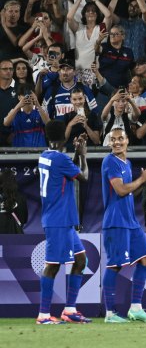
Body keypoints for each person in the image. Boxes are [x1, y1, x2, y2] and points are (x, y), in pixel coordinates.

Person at [101, 126, 146, 323]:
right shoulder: (110, 161)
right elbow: (119, 190)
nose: (117, 142)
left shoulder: (127, 162)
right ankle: (110, 314)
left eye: (120, 139)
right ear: (109, 143)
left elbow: (128, 192)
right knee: (115, 265)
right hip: (116, 221)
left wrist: (142, 182)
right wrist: (141, 179)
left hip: (130, 221)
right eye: (113, 139)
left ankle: (135, 308)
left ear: (127, 141)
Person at [36, 120, 90, 324]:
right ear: (64, 136)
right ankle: (43, 315)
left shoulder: (45, 156)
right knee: (52, 266)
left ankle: (69, 310)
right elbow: (83, 176)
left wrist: (76, 152)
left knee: (80, 260)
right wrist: (83, 153)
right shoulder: (60, 159)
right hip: (58, 219)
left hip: (61, 219)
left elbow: (68, 169)